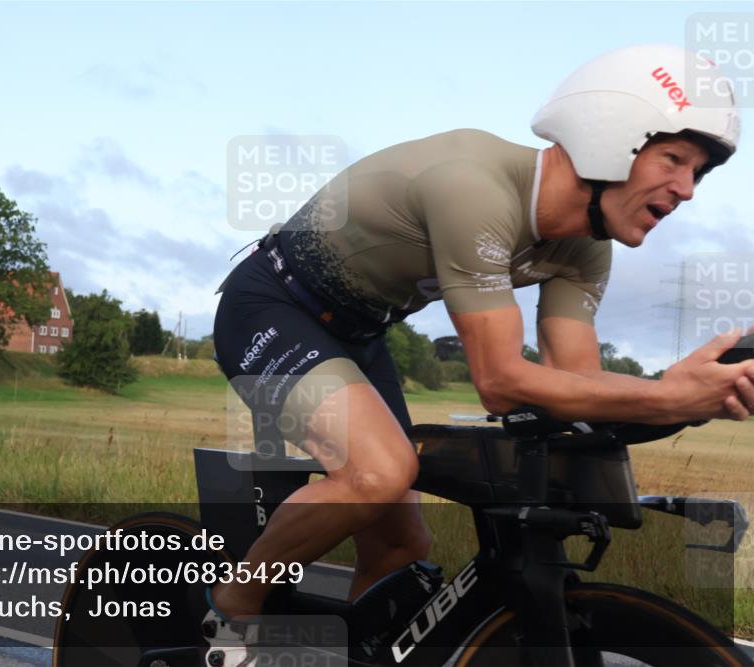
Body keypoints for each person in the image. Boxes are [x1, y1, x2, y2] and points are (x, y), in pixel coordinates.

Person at [206, 44, 752, 666]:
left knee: (400, 551)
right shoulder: (476, 187)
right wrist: (665, 396)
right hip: (273, 305)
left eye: (698, 173)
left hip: (359, 334)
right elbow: (501, 382)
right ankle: (230, 616)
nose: (685, 190)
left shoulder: (584, 249)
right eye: (673, 159)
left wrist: (679, 392)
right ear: (612, 138)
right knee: (378, 474)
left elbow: (573, 385)